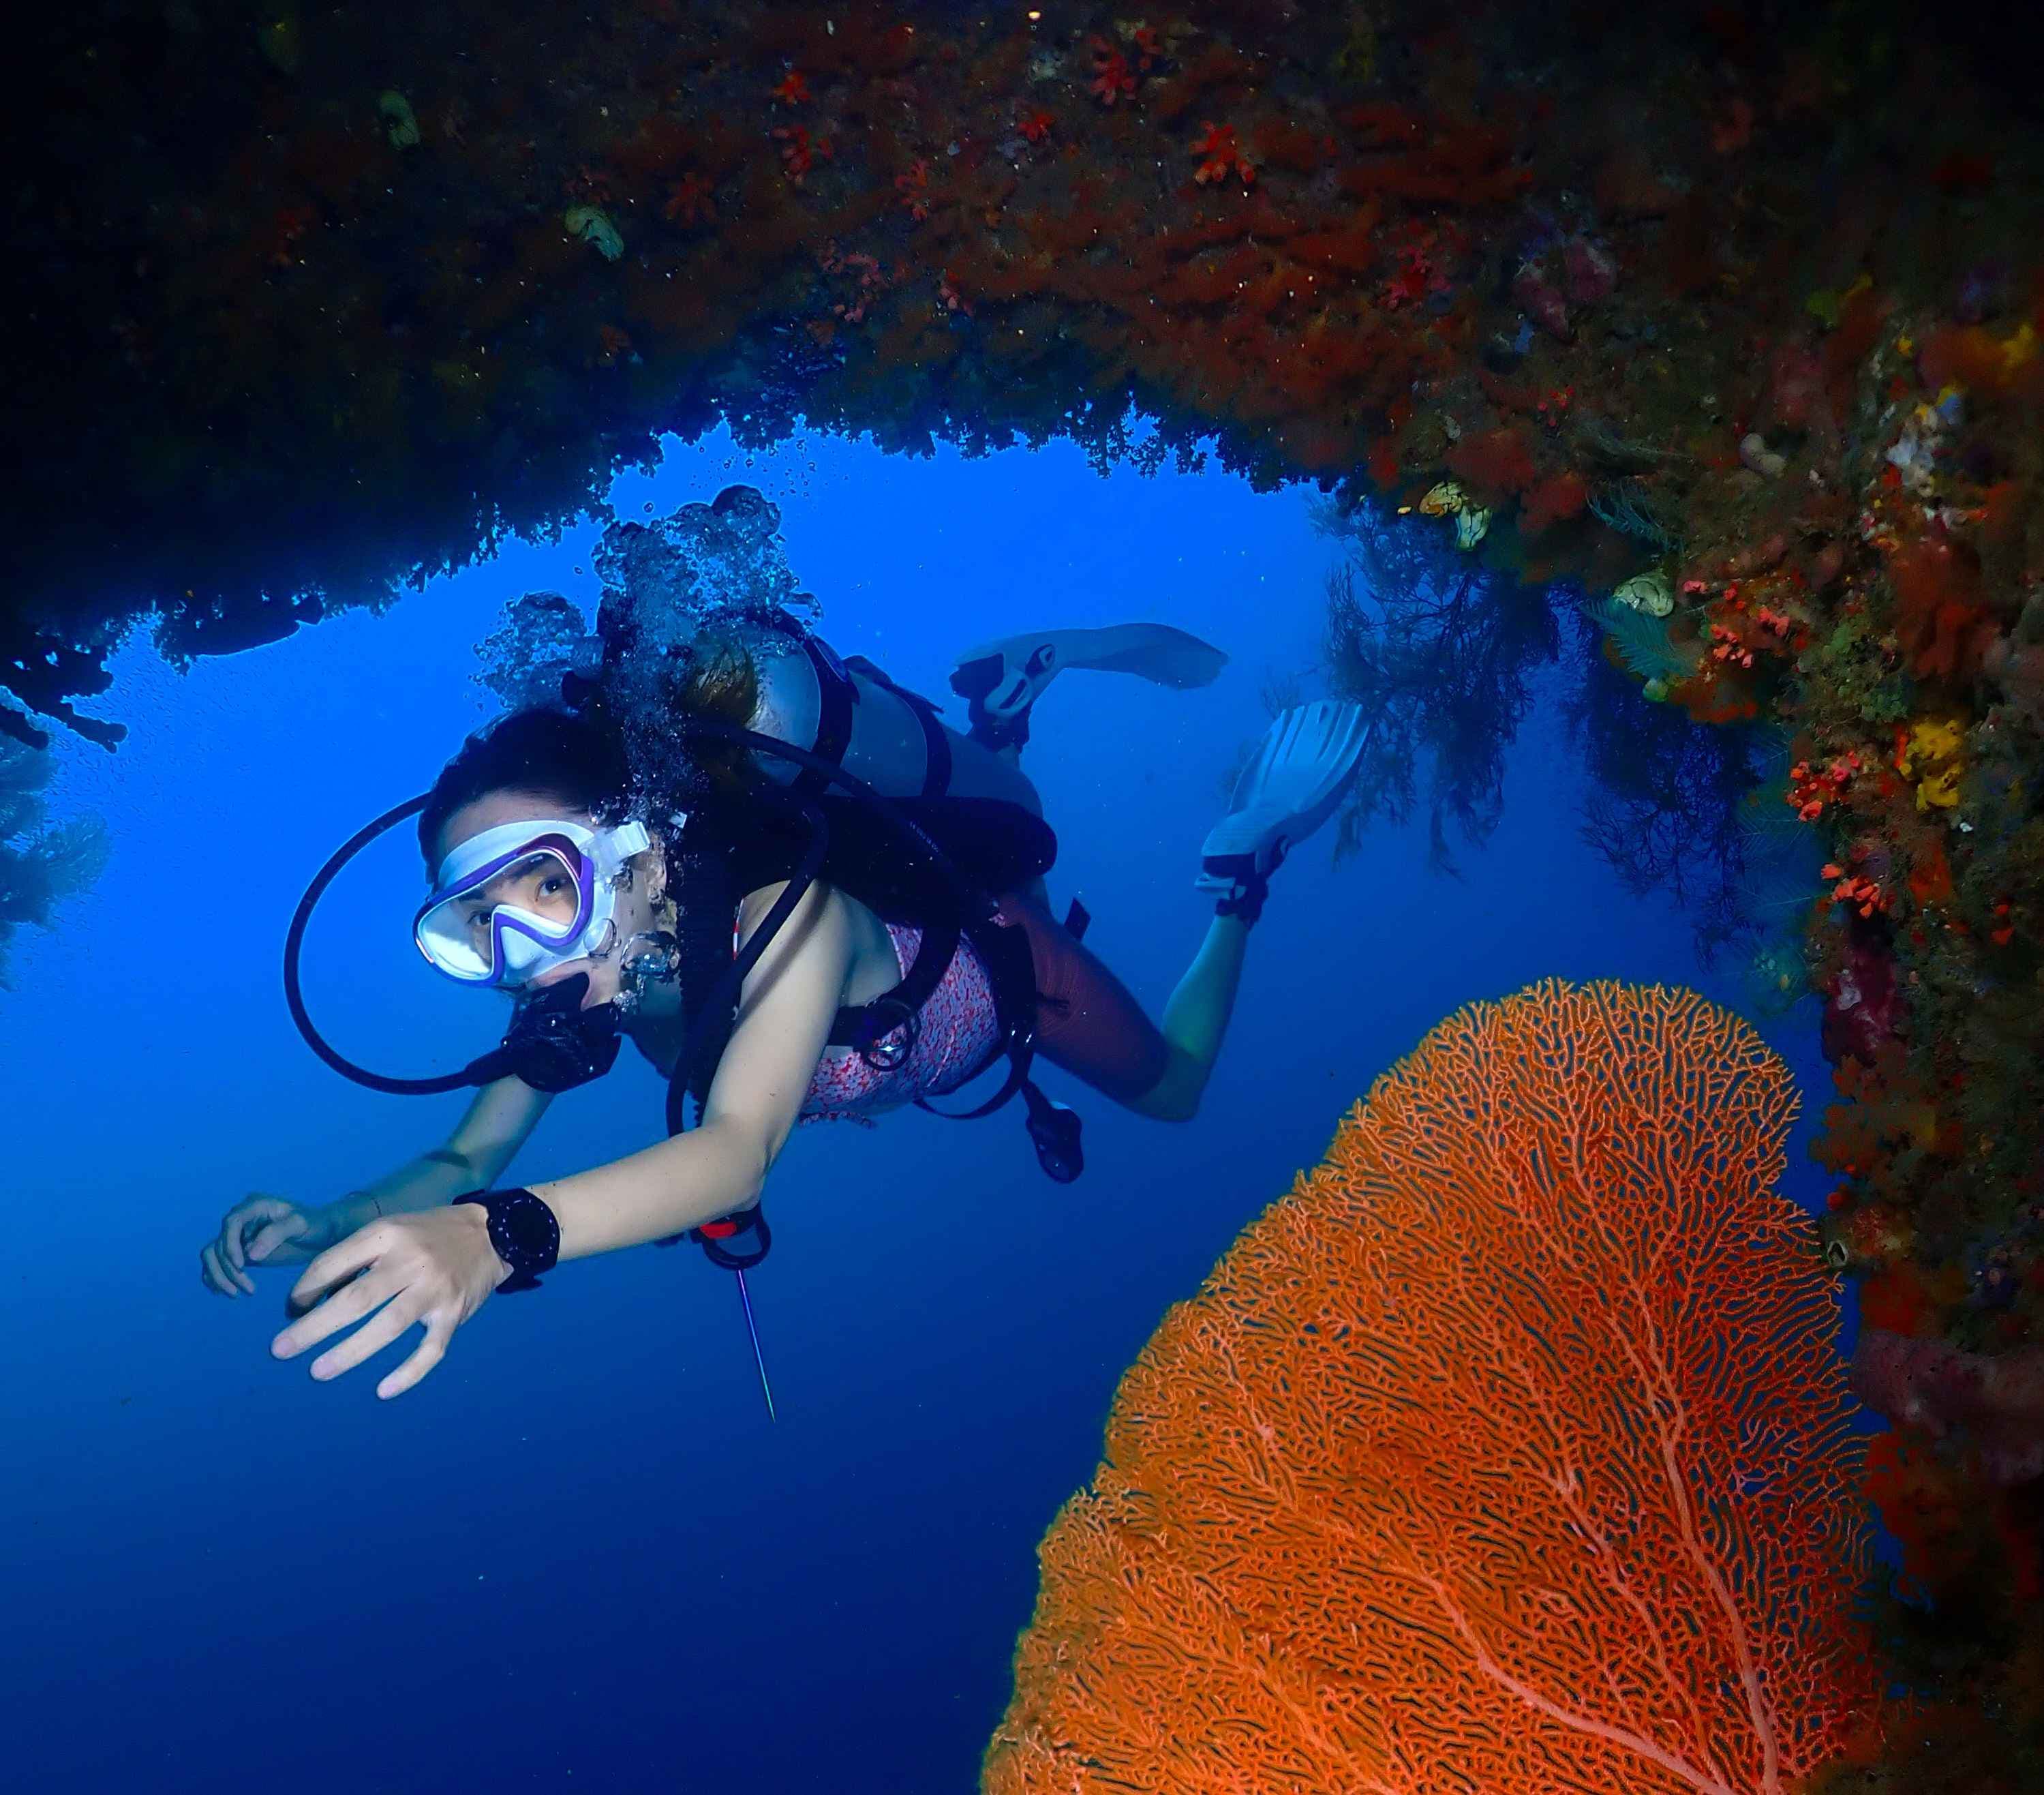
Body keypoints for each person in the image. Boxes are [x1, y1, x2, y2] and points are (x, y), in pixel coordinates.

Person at [200, 621, 1369, 1401]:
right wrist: (326, 1216)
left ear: (637, 847)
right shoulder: (576, 989)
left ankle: (1235, 872)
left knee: (1173, 1090)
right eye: (476, 927)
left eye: (547, 887)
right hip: (905, 1008)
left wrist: (493, 1236)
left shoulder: (793, 912)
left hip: (995, 968)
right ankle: (1002, 712)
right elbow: (466, 1148)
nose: (520, 954)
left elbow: (736, 1151)